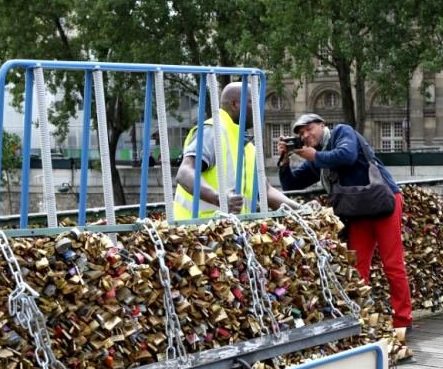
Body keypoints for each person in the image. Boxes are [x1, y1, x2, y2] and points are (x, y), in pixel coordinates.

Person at [276, 113, 413, 331]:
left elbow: (347, 155)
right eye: (301, 134)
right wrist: (284, 162)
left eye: (308, 129)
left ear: (322, 125)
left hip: (383, 202)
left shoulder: (341, 131)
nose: (305, 135)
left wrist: (314, 157)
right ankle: (361, 318)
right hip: (358, 211)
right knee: (357, 268)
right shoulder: (317, 157)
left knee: (393, 265)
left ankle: (403, 320)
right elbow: (292, 184)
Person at [173, 82, 298, 219]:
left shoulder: (247, 145)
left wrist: (301, 210)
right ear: (235, 104)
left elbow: (265, 191)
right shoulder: (213, 130)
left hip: (230, 230)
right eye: (252, 102)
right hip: (198, 231)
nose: (258, 108)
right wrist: (219, 198)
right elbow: (184, 173)